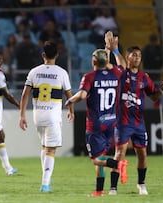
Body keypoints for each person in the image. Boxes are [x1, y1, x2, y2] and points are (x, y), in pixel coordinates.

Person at [64, 32, 129, 196]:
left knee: (96, 159)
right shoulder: (115, 73)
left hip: (95, 125)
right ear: (106, 61)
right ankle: (99, 191)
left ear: (93, 61)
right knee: (101, 157)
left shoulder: (89, 77)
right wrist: (113, 50)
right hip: (111, 122)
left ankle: (118, 164)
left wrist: (70, 100)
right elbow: (124, 65)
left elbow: (83, 95)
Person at [109, 46, 163, 195]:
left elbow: (153, 96)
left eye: (139, 55)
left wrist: (161, 90)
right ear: (128, 57)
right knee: (119, 154)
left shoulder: (145, 77)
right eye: (134, 55)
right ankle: (113, 188)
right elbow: (119, 63)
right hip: (123, 122)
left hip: (138, 123)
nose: (137, 58)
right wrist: (115, 50)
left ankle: (141, 184)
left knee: (142, 155)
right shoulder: (122, 73)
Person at [19, 41, 74, 192]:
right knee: (51, 150)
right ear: (57, 55)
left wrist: (22, 115)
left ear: (43, 55)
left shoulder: (34, 72)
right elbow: (69, 95)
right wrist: (71, 110)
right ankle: (45, 184)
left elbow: (25, 95)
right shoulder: (62, 73)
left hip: (38, 115)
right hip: (52, 116)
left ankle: (45, 181)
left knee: (44, 147)